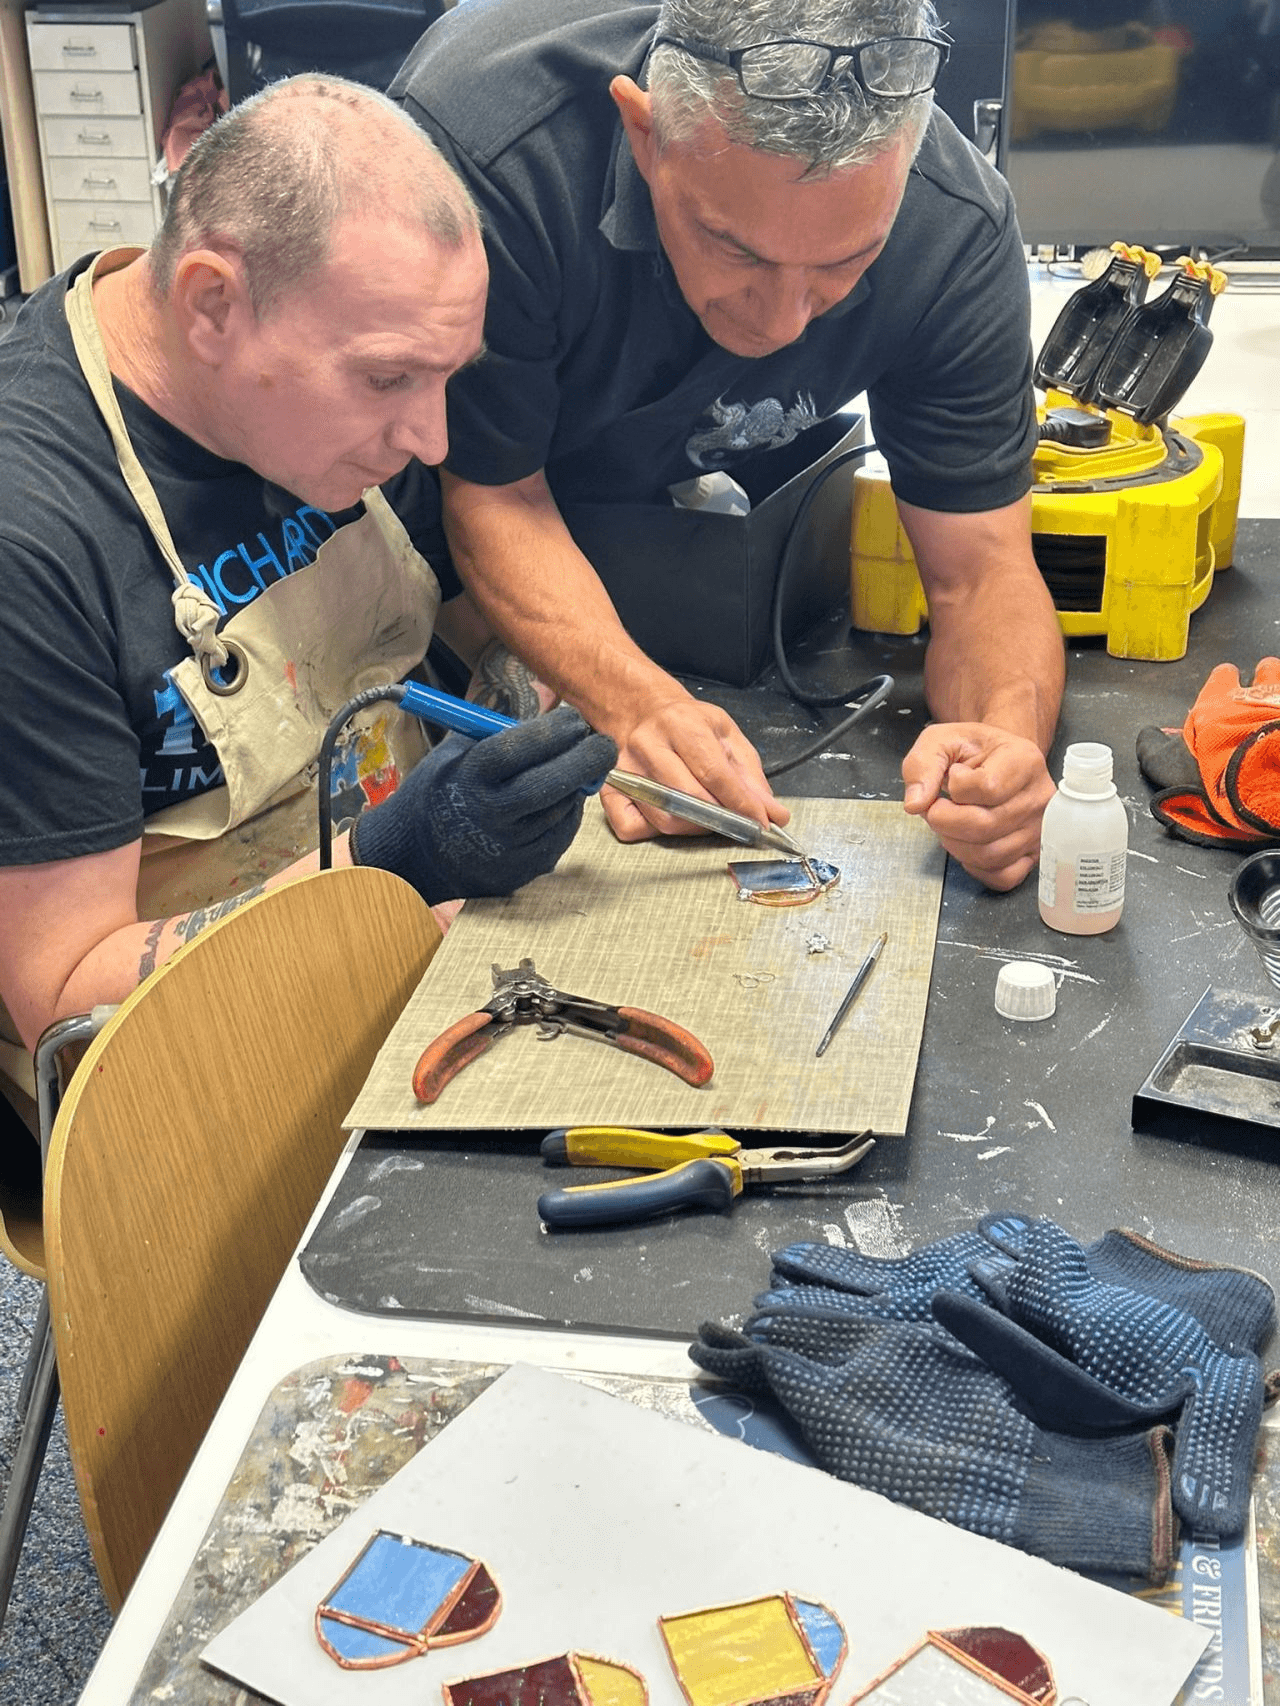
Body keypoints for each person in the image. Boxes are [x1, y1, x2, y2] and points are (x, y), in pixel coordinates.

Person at [0, 75, 616, 1113]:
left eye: (446, 376)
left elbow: (453, 628)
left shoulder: (349, 393)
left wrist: (534, 707)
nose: (431, 440)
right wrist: (391, 859)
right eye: (387, 382)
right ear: (210, 304)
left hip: (408, 938)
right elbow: (64, 1009)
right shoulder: (34, 531)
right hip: (172, 1080)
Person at [391, 0, 1065, 890]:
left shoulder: (953, 229)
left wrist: (1004, 749)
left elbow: (981, 572)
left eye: (842, 263)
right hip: (434, 498)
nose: (782, 323)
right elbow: (495, 492)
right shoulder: (494, 160)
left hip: (656, 498)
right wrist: (634, 700)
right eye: (735, 249)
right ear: (644, 133)